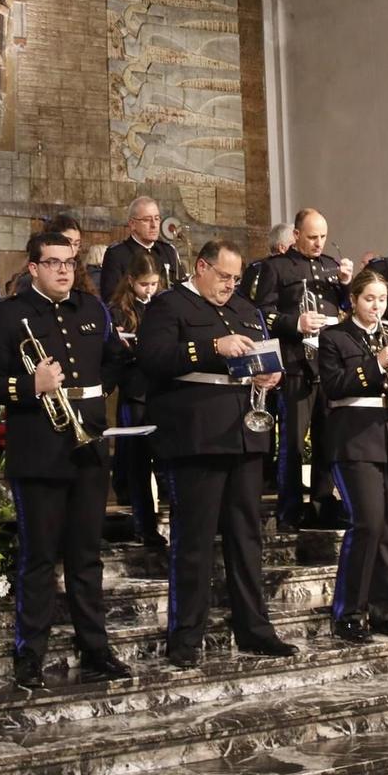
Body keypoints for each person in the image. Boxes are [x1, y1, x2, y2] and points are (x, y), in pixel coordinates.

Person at [0, 231, 131, 690]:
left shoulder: (92, 308)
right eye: (53, 262)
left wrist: (94, 390)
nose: (64, 270)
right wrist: (29, 386)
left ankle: (95, 647)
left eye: (69, 261)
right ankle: (29, 653)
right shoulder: (10, 314)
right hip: (39, 448)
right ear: (34, 268)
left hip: (89, 448)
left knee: (86, 556)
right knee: (38, 558)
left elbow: (117, 360)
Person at [138, 240, 297, 668]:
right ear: (201, 266)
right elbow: (151, 359)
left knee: (247, 537)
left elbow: (259, 353)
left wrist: (268, 375)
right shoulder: (169, 305)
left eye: (235, 278)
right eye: (224, 276)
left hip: (243, 431)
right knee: (194, 540)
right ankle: (186, 637)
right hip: (196, 436)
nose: (230, 285)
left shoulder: (246, 308)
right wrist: (213, 348)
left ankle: (255, 629)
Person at [317, 269, 388, 643]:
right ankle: (348, 613)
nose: (376, 306)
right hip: (357, 438)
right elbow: (332, 385)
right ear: (353, 300)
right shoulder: (334, 337)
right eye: (369, 299)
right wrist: (374, 365)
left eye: (381, 300)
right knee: (367, 524)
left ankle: (382, 610)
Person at [250, 208, 348, 531]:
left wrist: (347, 286)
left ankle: (322, 506)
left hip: (328, 364)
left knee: (328, 439)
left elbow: (346, 310)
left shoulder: (332, 269)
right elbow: (262, 314)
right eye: (311, 237)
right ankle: (288, 511)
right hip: (294, 363)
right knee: (292, 442)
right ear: (295, 235)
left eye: (322, 237)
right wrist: (296, 323)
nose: (319, 243)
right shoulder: (275, 268)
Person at [107, 262, 165, 550]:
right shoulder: (118, 310)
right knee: (137, 464)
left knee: (164, 462)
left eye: (154, 284)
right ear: (131, 281)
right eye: (145, 285)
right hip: (135, 392)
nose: (150, 290)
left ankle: (162, 521)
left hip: (159, 391)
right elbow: (114, 353)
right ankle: (144, 525)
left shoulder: (162, 305)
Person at [101, 196, 182, 300]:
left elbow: (181, 288)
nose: (154, 225)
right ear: (132, 224)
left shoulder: (169, 251)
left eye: (157, 219)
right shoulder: (117, 254)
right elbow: (111, 297)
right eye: (147, 220)